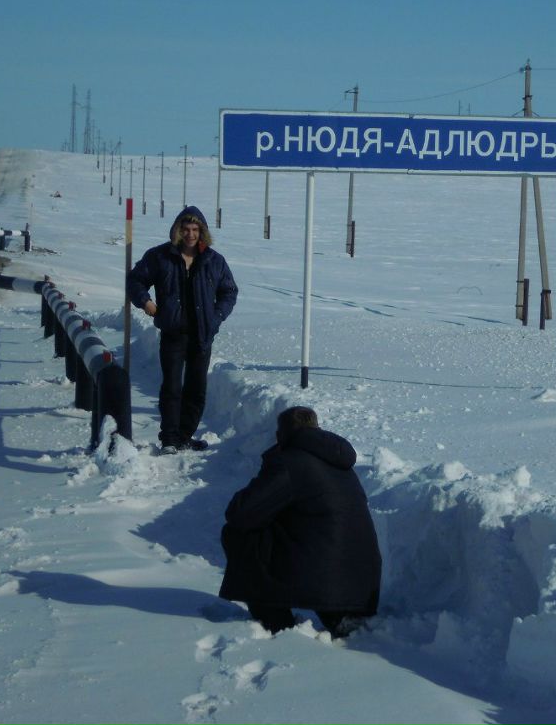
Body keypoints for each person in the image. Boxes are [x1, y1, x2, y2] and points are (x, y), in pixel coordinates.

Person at [219, 406, 382, 636]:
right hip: (362, 581)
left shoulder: (289, 461)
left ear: (282, 434)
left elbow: (241, 513)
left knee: (240, 534)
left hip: (330, 576)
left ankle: (273, 619)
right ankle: (337, 615)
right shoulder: (338, 460)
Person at [127, 206, 237, 455]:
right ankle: (169, 438)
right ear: (178, 230)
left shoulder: (213, 260)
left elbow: (229, 291)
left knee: (196, 389)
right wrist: (146, 302)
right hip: (173, 332)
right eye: (185, 229)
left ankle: (184, 436)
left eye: (195, 229)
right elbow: (135, 280)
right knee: (172, 386)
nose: (190, 234)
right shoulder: (160, 257)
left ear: (203, 232)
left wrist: (217, 316)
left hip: (202, 334)